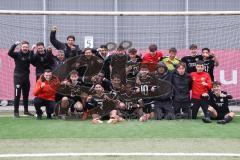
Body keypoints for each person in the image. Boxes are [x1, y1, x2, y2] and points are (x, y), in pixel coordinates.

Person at [8, 41, 33, 118]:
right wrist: (15, 44)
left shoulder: (30, 54)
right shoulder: (17, 54)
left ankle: (26, 111)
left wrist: (32, 50)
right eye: (24, 47)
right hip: (18, 77)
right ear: (21, 47)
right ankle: (16, 112)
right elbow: (9, 53)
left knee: (26, 95)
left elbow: (34, 59)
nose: (25, 48)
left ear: (28, 47)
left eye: (26, 47)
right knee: (17, 95)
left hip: (26, 78)